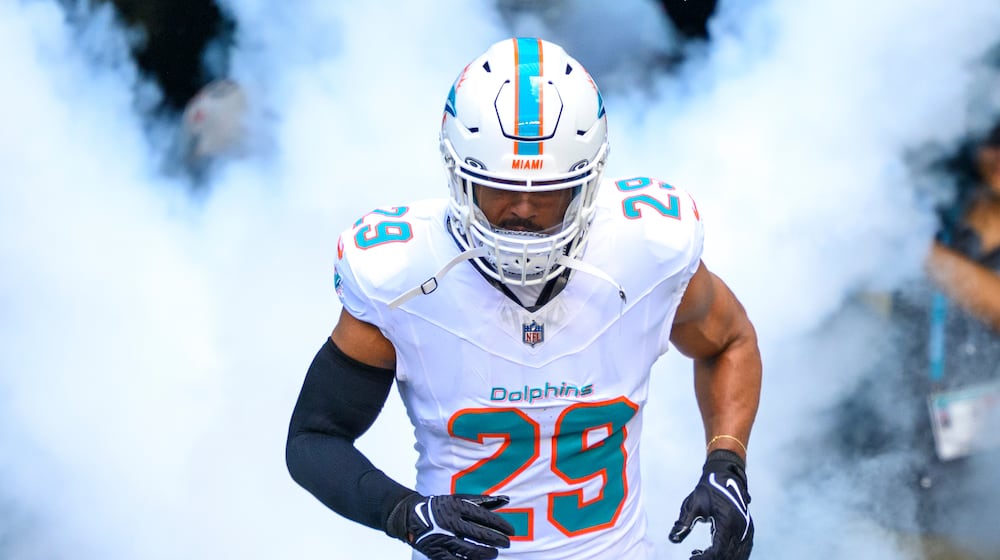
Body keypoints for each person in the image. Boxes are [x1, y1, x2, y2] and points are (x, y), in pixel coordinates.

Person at [286, 37, 762, 560]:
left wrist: (727, 464)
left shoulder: (647, 248)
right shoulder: (401, 273)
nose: (524, 210)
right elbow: (314, 438)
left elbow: (729, 342)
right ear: (457, 174)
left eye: (549, 191)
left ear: (590, 182)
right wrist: (402, 512)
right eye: (499, 188)